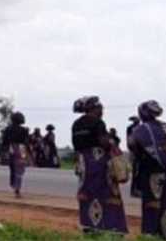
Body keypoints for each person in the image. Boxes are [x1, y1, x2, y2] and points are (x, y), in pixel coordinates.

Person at [128, 100, 166, 238]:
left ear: (144, 113)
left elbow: (132, 144)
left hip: (152, 173)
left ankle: (152, 234)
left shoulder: (142, 129)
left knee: (153, 205)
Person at [70, 95, 127, 234]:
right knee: (108, 194)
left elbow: (76, 146)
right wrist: (112, 142)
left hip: (84, 163)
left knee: (87, 193)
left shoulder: (76, 124)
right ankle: (110, 228)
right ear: (93, 108)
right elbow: (104, 143)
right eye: (100, 107)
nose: (102, 110)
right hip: (99, 163)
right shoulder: (97, 122)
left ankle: (90, 226)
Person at [0, 111, 30, 198]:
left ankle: (14, 185)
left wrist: (3, 152)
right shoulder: (24, 130)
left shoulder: (7, 129)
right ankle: (17, 189)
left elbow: (4, 142)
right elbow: (26, 142)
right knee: (20, 169)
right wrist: (29, 153)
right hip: (21, 148)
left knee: (12, 168)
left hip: (11, 148)